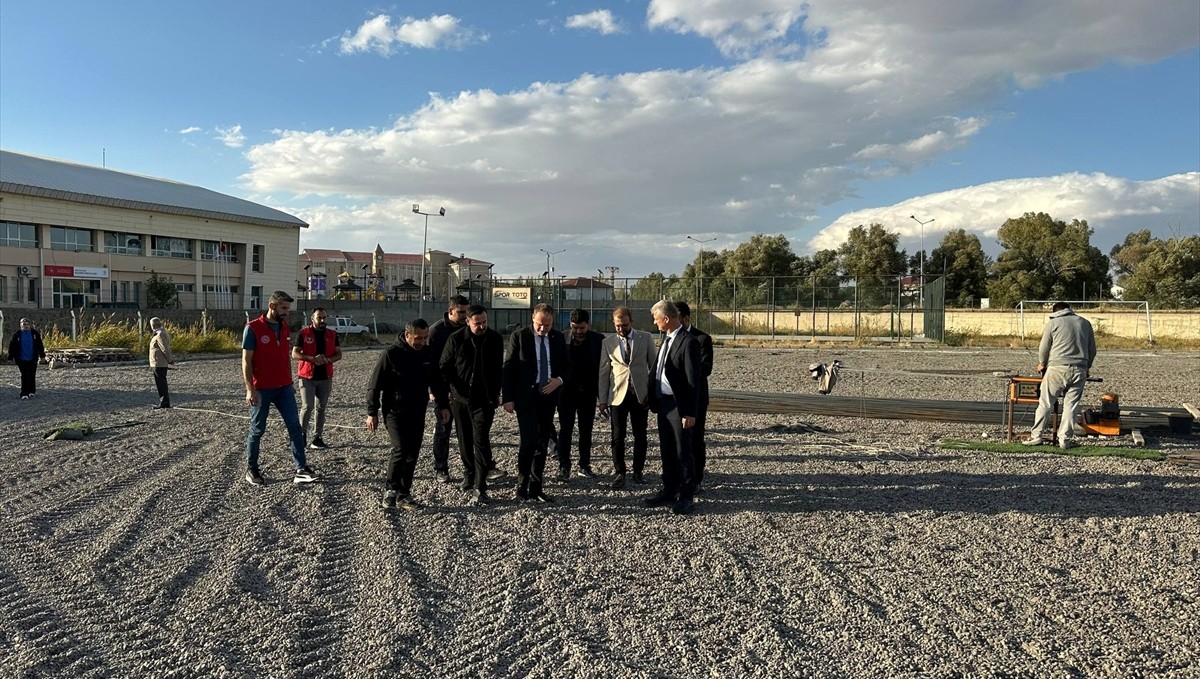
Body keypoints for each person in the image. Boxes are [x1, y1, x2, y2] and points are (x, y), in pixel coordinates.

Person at [367, 318, 451, 511]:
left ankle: (404, 494)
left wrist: (443, 405)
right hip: (394, 410)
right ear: (407, 335)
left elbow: (436, 382)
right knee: (401, 449)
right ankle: (390, 490)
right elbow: (374, 384)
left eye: (425, 338)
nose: (422, 342)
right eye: (418, 338)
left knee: (413, 452)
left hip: (417, 409)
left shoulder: (428, 353)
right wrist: (372, 412)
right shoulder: (391, 354)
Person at [242, 291, 319, 485]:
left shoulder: (284, 327)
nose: (287, 312)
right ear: (272, 306)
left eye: (288, 308)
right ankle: (252, 469)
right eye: (284, 308)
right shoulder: (252, 328)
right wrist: (250, 389)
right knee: (258, 429)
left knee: (295, 427)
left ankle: (300, 468)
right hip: (262, 389)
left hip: (284, 387)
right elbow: (246, 361)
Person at [502, 303, 569, 503]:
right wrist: (508, 397)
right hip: (526, 397)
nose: (542, 329)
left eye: (547, 325)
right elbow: (509, 367)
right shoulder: (520, 336)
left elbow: (567, 364)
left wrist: (559, 380)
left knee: (542, 442)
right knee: (528, 440)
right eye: (540, 324)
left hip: (547, 397)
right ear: (533, 318)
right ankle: (521, 486)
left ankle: (536, 488)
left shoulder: (557, 338)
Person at [440, 304, 504, 505]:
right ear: (467, 322)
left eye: (485, 322)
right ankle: (469, 471)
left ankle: (480, 483)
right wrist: (450, 390)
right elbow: (444, 366)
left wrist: (497, 393)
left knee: (481, 439)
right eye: (477, 323)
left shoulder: (495, 339)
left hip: (485, 399)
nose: (482, 326)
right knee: (464, 439)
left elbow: (498, 369)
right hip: (461, 399)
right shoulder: (456, 339)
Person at [645, 300, 701, 515]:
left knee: (682, 451)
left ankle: (686, 496)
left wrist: (689, 412)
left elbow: (692, 381)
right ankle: (669, 489)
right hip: (664, 404)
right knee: (667, 450)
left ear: (666, 318)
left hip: (679, 406)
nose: (654, 322)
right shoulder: (666, 340)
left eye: (656, 318)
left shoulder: (688, 342)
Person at [1023, 302, 1097, 450]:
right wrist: (1087, 366)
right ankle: (1065, 440)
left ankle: (1036, 436)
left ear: (1055, 311)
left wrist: (1042, 363)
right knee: (1071, 406)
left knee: (1046, 403)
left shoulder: (1053, 322)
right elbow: (1092, 350)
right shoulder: (1085, 323)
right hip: (1079, 369)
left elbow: (1044, 347)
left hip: (1057, 368)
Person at [598, 306, 656, 489]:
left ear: (631, 322)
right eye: (617, 326)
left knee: (640, 435)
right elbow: (604, 373)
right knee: (617, 436)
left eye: (624, 325)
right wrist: (602, 399)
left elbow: (653, 368)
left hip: (640, 395)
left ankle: (638, 471)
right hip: (617, 395)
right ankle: (619, 472)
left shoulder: (645, 338)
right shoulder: (608, 343)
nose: (621, 329)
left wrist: (652, 393)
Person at [556, 308, 604, 480]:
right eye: (575, 328)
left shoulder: (598, 340)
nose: (578, 332)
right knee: (565, 430)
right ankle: (564, 466)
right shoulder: (561, 339)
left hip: (588, 392)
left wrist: (602, 396)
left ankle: (584, 465)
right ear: (570, 325)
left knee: (586, 431)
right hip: (566, 392)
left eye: (582, 328)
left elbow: (603, 368)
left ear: (588, 325)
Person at [427, 295, 470, 483]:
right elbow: (430, 363)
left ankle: (478, 466)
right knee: (444, 428)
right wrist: (433, 389)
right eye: (461, 312)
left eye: (466, 312)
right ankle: (441, 468)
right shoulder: (436, 332)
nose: (464, 316)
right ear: (450, 310)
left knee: (469, 430)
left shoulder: (468, 328)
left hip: (465, 388)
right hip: (443, 389)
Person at [675, 301, 713, 491]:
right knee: (679, 438)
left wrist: (683, 372)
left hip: (696, 397)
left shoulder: (702, 339)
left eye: (677, 318)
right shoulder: (670, 338)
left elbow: (706, 369)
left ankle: (697, 478)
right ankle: (680, 475)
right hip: (675, 398)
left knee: (696, 438)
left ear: (686, 319)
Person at [292, 307, 342, 449]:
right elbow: (295, 354)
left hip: (325, 376)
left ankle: (317, 437)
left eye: (324, 318)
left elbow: (339, 354)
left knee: (321, 408)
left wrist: (327, 360)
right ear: (312, 319)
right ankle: (301, 435)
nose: (322, 320)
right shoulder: (304, 333)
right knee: (307, 406)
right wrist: (311, 359)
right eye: (319, 318)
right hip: (307, 376)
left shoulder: (332, 334)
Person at [8, 318, 46, 400]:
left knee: (32, 375)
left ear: (30, 325)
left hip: (33, 358)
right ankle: (24, 393)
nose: (26, 326)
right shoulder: (17, 335)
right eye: (24, 324)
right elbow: (12, 347)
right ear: (20, 325)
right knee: (25, 375)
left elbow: (40, 345)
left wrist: (42, 356)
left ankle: (31, 391)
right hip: (21, 359)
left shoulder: (35, 334)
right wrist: (10, 357)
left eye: (27, 324)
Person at [148, 317, 174, 409]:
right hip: (157, 362)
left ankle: (164, 403)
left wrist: (170, 359)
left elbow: (164, 348)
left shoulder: (160, 334)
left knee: (161, 383)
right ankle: (164, 402)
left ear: (153, 325)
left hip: (159, 363)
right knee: (160, 383)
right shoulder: (160, 333)